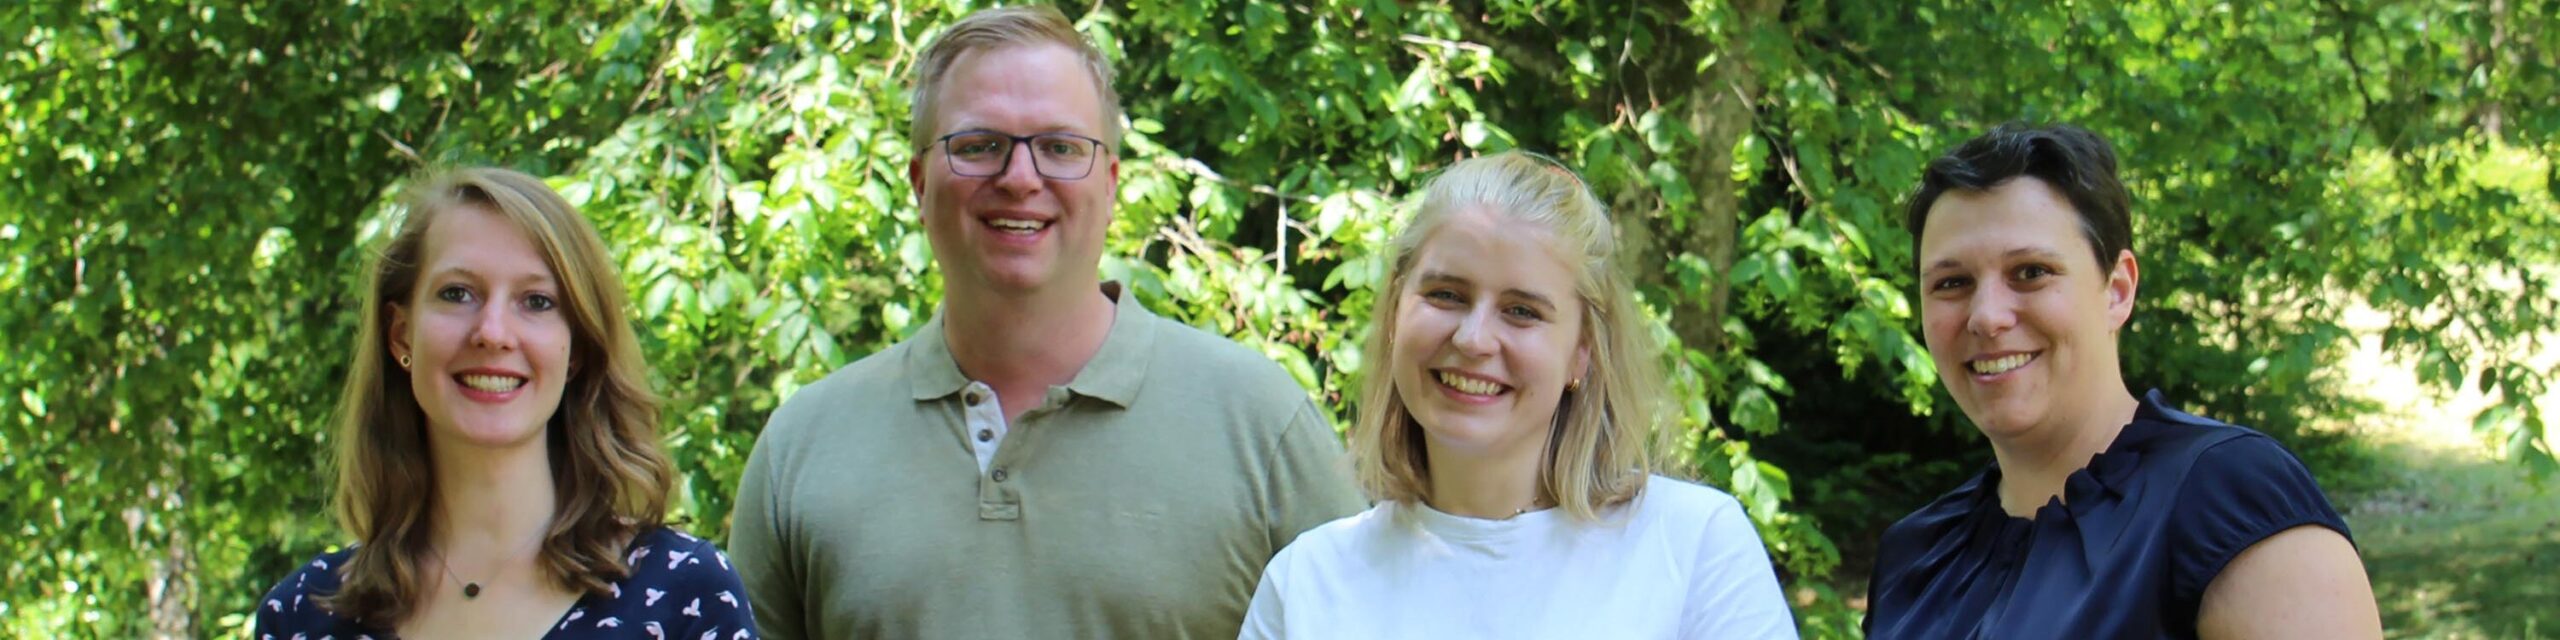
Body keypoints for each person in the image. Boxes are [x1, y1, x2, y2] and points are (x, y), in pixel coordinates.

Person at [724, 5, 1366, 639]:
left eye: (1060, 147)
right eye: (980, 146)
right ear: (920, 183)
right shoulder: (803, 447)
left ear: (1111, 183)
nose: (1020, 178)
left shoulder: (1258, 424)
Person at [1240, 151, 1799, 639]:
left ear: (1582, 350)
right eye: (1446, 294)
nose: (1474, 338)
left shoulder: (1693, 545)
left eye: (1522, 311)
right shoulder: (1307, 583)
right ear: (1394, 314)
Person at [1864, 124, 2381, 638]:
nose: (1987, 316)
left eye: (2031, 272)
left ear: (2116, 290)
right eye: (1952, 283)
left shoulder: (2227, 503)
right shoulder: (1917, 557)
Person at [252, 167, 758, 638]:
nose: (493, 332)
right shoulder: (305, 614)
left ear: (576, 349)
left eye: (536, 302)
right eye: (457, 293)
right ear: (402, 334)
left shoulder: (685, 595)